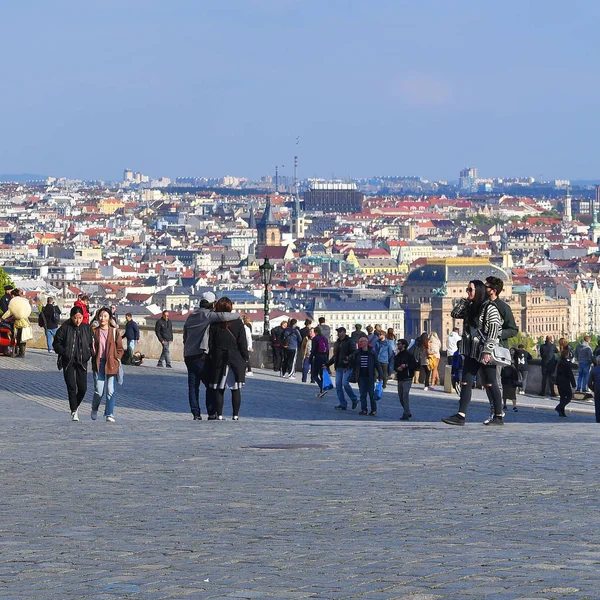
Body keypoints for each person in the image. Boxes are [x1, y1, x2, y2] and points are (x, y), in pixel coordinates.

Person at [442, 279, 503, 426]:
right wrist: (465, 300)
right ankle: (461, 415)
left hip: (483, 351)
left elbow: (494, 331)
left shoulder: (490, 308)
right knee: (465, 382)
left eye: (470, 290)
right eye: (467, 289)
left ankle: (499, 415)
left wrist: (488, 350)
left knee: (490, 383)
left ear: (479, 291)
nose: (467, 292)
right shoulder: (470, 307)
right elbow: (455, 313)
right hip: (471, 352)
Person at [183, 292, 241, 420]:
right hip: (201, 355)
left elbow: (185, 335)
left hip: (188, 355)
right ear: (212, 304)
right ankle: (211, 412)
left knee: (193, 387)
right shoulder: (208, 315)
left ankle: (196, 414)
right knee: (210, 384)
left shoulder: (191, 316)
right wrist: (238, 316)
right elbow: (224, 316)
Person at [207, 296, 249, 420]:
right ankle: (235, 415)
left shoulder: (214, 323)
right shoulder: (238, 322)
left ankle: (219, 414)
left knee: (219, 388)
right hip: (235, 358)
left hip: (219, 358)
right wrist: (245, 357)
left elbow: (211, 344)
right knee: (235, 388)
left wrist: (212, 356)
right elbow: (242, 342)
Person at [53, 306, 94, 421]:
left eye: (80, 318)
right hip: (68, 361)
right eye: (75, 318)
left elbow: (92, 344)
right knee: (71, 386)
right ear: (71, 317)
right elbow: (56, 343)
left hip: (82, 361)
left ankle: (75, 405)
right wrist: (64, 352)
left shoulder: (87, 328)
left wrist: (89, 353)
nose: (78, 321)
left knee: (83, 388)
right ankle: (74, 411)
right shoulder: (64, 328)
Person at [91, 307, 124, 423]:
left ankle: (109, 413)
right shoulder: (95, 331)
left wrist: (117, 358)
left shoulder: (114, 332)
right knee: (99, 391)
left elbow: (120, 348)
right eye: (100, 316)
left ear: (109, 318)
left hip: (111, 363)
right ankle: (94, 408)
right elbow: (91, 347)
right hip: (99, 363)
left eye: (105, 316)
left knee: (110, 390)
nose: (102, 318)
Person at [347, 336, 383, 416]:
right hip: (360, 376)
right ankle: (364, 409)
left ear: (366, 343)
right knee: (362, 394)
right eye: (360, 341)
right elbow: (353, 363)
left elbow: (377, 364)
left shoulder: (372, 353)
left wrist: (381, 375)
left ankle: (373, 410)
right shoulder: (357, 352)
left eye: (362, 341)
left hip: (370, 376)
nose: (361, 343)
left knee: (371, 394)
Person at [326, 327, 358, 410]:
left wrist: (348, 360)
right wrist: (327, 364)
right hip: (339, 366)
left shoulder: (350, 341)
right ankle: (342, 403)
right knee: (338, 385)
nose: (338, 333)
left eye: (339, 332)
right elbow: (335, 356)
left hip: (347, 366)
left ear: (344, 332)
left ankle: (354, 399)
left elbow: (354, 353)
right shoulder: (337, 343)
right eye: (338, 332)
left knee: (345, 383)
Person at [394, 338, 418, 420]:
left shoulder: (409, 355)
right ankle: (407, 411)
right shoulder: (397, 356)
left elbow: (415, 366)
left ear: (403, 345)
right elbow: (394, 366)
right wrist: (397, 368)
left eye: (399, 344)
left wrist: (406, 366)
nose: (398, 345)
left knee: (405, 395)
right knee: (401, 397)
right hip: (400, 378)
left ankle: (406, 413)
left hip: (407, 378)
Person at [2, 292, 32, 357]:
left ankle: (21, 353)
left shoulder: (15, 302)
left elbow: (9, 312)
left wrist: (2, 318)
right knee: (23, 338)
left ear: (13, 295)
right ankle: (21, 352)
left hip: (20, 323)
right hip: (25, 322)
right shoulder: (23, 300)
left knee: (19, 338)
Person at [555, 347, 576, 418]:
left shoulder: (559, 362)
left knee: (562, 397)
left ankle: (561, 412)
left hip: (559, 382)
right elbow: (570, 374)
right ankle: (559, 407)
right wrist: (573, 384)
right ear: (566, 355)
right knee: (569, 396)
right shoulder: (566, 364)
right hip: (565, 382)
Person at [310, 326, 330, 397]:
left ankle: (322, 388)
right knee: (322, 374)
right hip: (324, 357)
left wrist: (310, 358)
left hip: (318, 357)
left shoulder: (315, 339)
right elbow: (327, 349)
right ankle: (322, 390)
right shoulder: (325, 338)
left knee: (314, 374)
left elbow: (313, 350)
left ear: (315, 332)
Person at [587, 357, 600, 423]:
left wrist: (593, 389)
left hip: (597, 389)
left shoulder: (594, 369)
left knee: (598, 407)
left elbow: (589, 383)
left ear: (597, 361)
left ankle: (598, 421)